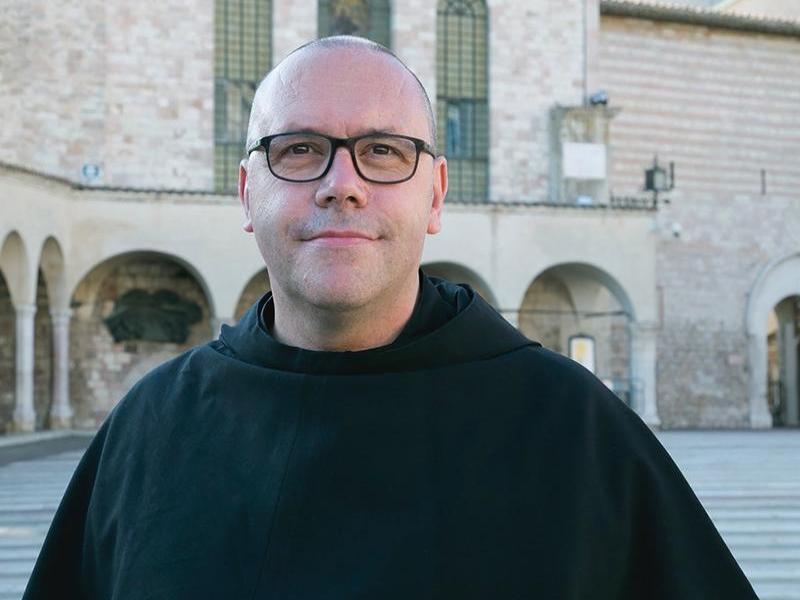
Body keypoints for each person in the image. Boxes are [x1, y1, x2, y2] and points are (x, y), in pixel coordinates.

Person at [24, 36, 757, 599]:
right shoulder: (151, 430)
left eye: (382, 151)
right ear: (247, 193)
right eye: (300, 149)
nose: (341, 185)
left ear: (435, 195)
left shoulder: (576, 431)